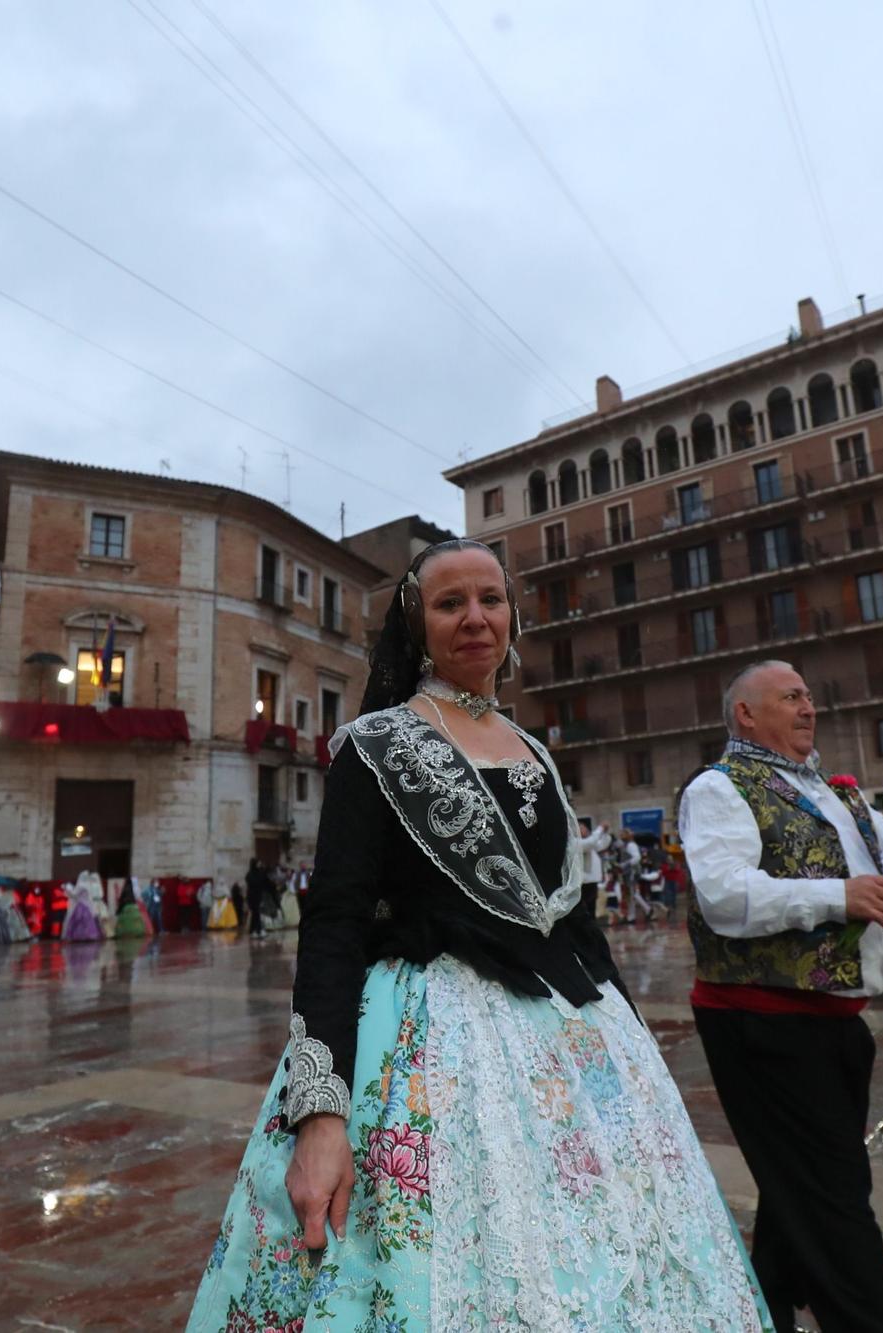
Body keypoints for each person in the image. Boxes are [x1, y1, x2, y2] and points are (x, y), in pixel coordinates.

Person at [187, 539, 761, 1330]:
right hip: (427, 1043)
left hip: (570, 1044)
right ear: (417, 624)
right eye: (449, 602)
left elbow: (575, 921)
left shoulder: (535, 753)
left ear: (512, 614)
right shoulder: (376, 746)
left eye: (490, 598)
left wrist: (630, 1058)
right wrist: (320, 1115)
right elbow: (334, 924)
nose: (475, 618)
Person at [680, 659, 883, 1333]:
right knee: (835, 1195)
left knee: (803, 1181)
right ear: (746, 714)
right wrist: (838, 895)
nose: (808, 706)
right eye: (790, 696)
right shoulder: (719, 788)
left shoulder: (842, 794)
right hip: (760, 1021)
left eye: (808, 695)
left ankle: (762, 1306)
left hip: (837, 1018)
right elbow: (725, 896)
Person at [573, 815, 611, 917]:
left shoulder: (590, 842)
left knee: (591, 908)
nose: (584, 829)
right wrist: (600, 829)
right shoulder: (576, 843)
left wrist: (605, 832)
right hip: (582, 882)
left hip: (592, 881)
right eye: (581, 828)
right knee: (585, 910)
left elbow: (603, 844)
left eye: (584, 827)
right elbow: (590, 842)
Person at [244, 858, 275, 939]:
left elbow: (267, 883)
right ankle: (258, 930)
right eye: (258, 863)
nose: (260, 864)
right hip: (252, 896)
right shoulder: (250, 874)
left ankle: (254, 930)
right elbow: (254, 883)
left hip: (259, 896)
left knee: (256, 913)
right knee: (256, 913)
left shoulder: (261, 873)